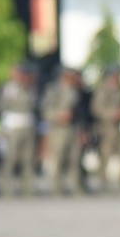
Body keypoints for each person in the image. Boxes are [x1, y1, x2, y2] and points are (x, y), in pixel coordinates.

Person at [0, 62, 40, 196]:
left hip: (28, 125)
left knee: (28, 159)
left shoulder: (31, 88)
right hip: (12, 126)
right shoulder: (8, 89)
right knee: (10, 158)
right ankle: (6, 188)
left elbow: (35, 105)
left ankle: (28, 188)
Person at [40, 66, 87, 196]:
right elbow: (45, 111)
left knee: (75, 159)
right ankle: (57, 188)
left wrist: (82, 130)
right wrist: (57, 115)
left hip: (74, 128)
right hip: (58, 129)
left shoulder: (77, 91)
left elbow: (82, 113)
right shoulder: (53, 90)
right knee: (58, 159)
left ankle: (77, 187)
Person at [90, 64, 120, 192]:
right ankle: (103, 183)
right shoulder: (103, 90)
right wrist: (113, 113)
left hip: (116, 127)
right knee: (105, 156)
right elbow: (97, 109)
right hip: (105, 128)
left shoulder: (119, 90)